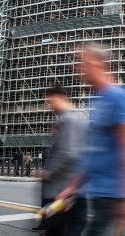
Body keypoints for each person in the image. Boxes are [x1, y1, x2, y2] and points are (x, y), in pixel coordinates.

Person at [56, 43, 125, 235]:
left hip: (112, 195)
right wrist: (73, 187)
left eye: (82, 62)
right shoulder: (96, 100)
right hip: (97, 193)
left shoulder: (119, 97)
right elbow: (94, 153)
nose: (78, 68)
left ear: (96, 63)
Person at [34, 85, 86, 235]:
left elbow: (68, 153)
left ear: (59, 97)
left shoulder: (69, 120)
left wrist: (48, 173)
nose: (49, 105)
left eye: (50, 101)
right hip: (67, 190)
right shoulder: (72, 119)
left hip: (63, 190)